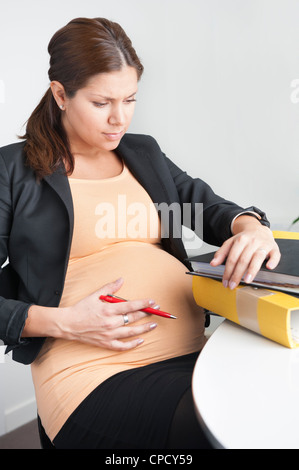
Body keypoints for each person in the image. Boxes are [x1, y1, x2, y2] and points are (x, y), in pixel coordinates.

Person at [0, 17, 280, 449]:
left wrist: (252, 228)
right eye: (101, 103)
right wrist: (65, 323)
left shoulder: (142, 152)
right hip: (93, 374)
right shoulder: (12, 171)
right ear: (60, 93)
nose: (119, 118)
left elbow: (207, 206)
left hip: (195, 352)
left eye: (129, 99)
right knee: (220, 434)